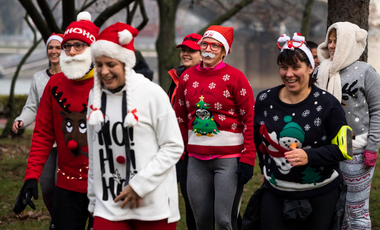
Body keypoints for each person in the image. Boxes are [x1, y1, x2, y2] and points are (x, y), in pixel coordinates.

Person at [86, 22, 184, 230]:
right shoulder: (94, 97)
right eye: (99, 64)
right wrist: (93, 199)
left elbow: (173, 146)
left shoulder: (152, 93)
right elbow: (94, 151)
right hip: (109, 204)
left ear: (125, 63)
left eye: (110, 64)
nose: (104, 72)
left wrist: (139, 186)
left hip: (153, 204)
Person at [253, 32, 352, 230]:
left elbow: (345, 149)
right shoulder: (265, 100)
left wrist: (310, 156)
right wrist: (265, 167)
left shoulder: (328, 104)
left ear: (310, 68)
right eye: (284, 67)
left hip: (321, 194)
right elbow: (259, 138)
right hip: (276, 191)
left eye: (296, 67)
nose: (289, 74)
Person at [13, 11, 99, 230]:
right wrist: (31, 175)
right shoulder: (55, 84)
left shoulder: (107, 83)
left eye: (78, 46)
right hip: (66, 185)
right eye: (66, 46)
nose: (70, 52)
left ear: (92, 49)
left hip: (103, 185)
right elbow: (42, 134)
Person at [174, 25, 256, 230]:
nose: (208, 49)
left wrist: (248, 157)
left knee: (224, 220)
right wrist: (181, 152)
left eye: (214, 46)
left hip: (228, 159)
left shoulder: (236, 78)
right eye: (204, 44)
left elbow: (250, 119)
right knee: (201, 220)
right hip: (196, 160)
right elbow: (181, 118)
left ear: (224, 50)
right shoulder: (186, 77)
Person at [316, 21, 380, 230]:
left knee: (357, 210)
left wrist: (372, 147)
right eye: (330, 40)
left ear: (349, 43)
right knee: (335, 210)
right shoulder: (320, 71)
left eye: (337, 41)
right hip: (324, 151)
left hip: (357, 152)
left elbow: (377, 110)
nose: (332, 45)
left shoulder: (365, 71)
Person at [12, 32, 63, 217]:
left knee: (62, 185)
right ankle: (55, 217)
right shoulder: (38, 78)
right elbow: (32, 107)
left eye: (58, 47)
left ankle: (64, 220)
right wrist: (21, 120)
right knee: (47, 186)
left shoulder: (70, 77)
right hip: (47, 141)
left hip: (67, 141)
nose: (54, 51)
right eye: (51, 47)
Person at [167, 32, 202, 230]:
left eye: (192, 51)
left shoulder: (209, 78)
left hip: (204, 148)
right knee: (190, 202)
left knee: (219, 209)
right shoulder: (176, 77)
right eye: (184, 50)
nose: (186, 54)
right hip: (180, 151)